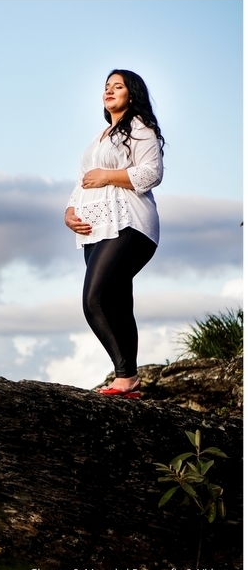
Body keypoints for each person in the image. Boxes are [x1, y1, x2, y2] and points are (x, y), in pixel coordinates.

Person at [64, 69, 165, 399]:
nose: (109, 91)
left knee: (95, 298)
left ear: (131, 94)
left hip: (128, 224)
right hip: (95, 227)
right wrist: (69, 211)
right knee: (118, 301)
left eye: (117, 86)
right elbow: (83, 182)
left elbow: (151, 174)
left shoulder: (140, 130)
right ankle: (130, 380)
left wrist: (108, 175)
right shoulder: (100, 137)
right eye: (106, 87)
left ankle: (125, 377)